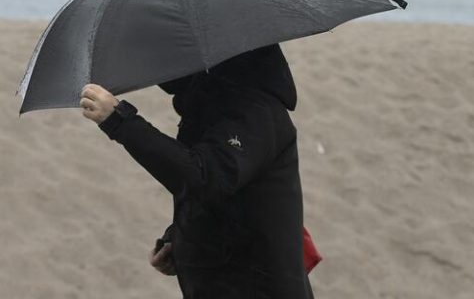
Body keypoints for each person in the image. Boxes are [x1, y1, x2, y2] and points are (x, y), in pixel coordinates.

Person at [79, 43, 315, 298]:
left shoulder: (255, 111)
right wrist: (180, 238)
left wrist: (119, 120)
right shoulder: (212, 105)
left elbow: (204, 177)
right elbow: (222, 193)